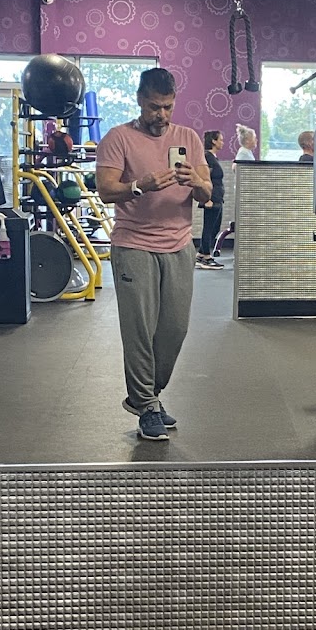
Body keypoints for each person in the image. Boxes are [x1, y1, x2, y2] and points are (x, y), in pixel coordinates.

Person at [95, 67, 212, 441]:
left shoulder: (188, 138)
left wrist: (197, 182)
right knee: (139, 331)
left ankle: (147, 396)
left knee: (174, 329)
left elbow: (208, 193)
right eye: (153, 107)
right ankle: (146, 405)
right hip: (134, 245)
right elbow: (106, 190)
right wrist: (139, 186)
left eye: (167, 107)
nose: (161, 115)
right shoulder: (118, 138)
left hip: (179, 245)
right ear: (139, 101)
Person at [197, 129, 225, 270]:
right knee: (209, 228)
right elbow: (204, 178)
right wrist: (207, 199)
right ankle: (206, 257)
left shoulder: (213, 157)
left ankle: (201, 253)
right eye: (220, 140)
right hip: (211, 198)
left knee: (215, 228)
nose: (222, 142)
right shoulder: (207, 157)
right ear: (213, 141)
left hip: (218, 198)